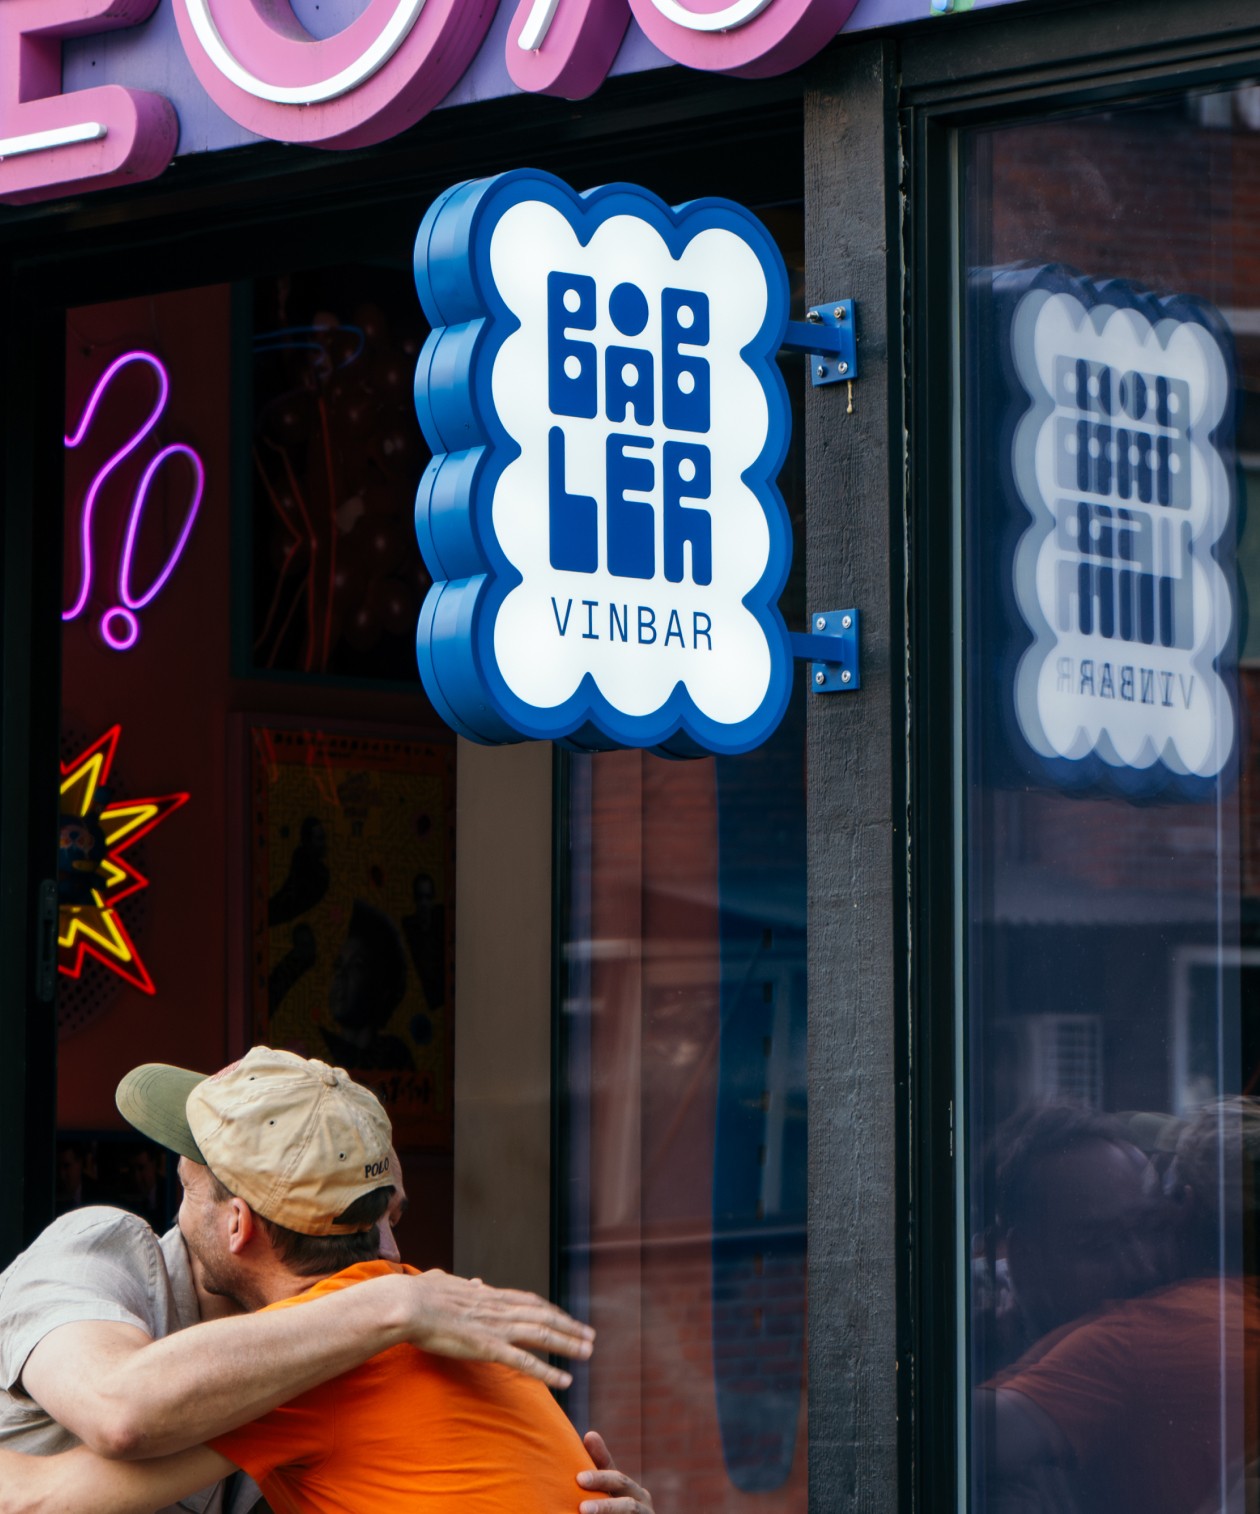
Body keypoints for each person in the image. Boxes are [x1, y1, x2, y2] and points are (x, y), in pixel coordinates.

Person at [0, 1048, 651, 1514]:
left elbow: (35, 1497)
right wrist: (393, 1302)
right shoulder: (428, 1323)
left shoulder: (316, 1366)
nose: (178, 1172)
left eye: (195, 1167)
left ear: (237, 1224)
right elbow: (119, 1406)